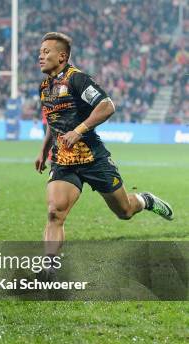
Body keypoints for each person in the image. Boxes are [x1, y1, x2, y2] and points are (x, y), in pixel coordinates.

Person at [34, 32, 173, 258]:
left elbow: (107, 106)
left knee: (125, 211)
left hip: (93, 158)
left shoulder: (77, 79)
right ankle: (49, 268)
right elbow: (53, 119)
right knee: (54, 213)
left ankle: (145, 200)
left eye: (46, 52)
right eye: (40, 52)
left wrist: (79, 131)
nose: (40, 56)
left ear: (62, 56)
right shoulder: (44, 86)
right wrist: (43, 150)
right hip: (63, 160)